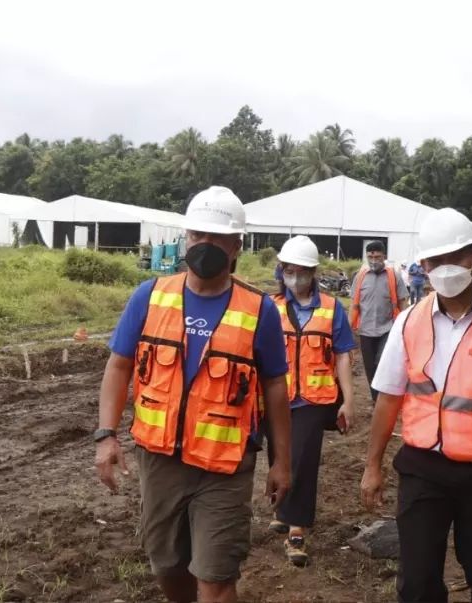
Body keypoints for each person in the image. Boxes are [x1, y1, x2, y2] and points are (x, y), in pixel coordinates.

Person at [95, 186, 293, 603]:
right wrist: (106, 434)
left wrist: (282, 463)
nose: (204, 245)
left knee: (216, 577)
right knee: (166, 564)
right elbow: (119, 364)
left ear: (237, 245)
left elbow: (276, 386)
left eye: (216, 238)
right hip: (160, 461)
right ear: (185, 238)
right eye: (196, 236)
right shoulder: (149, 297)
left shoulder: (261, 311)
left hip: (225, 467)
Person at [360, 207, 472, 603]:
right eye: (436, 260)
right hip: (425, 470)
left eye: (456, 258)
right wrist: (372, 466)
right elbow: (389, 398)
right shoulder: (408, 322)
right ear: (423, 265)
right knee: (418, 582)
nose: (446, 268)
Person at [269, 235, 357, 567]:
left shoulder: (332, 308)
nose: (295, 277)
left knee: (302, 461)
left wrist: (348, 401)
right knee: (281, 456)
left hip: (313, 400)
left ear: (313, 272)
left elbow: (343, 357)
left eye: (301, 271)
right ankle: (281, 507)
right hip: (276, 399)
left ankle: (296, 530)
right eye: (289, 270)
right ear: (282, 271)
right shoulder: (270, 307)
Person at [351, 241, 409, 402]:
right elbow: (354, 305)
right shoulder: (360, 276)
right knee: (370, 367)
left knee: (382, 363)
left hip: (388, 329)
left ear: (384, 256)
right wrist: (349, 329)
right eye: (370, 257)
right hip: (365, 330)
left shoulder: (393, 276)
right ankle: (376, 399)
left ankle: (385, 397)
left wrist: (404, 325)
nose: (374, 260)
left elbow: (403, 302)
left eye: (377, 256)